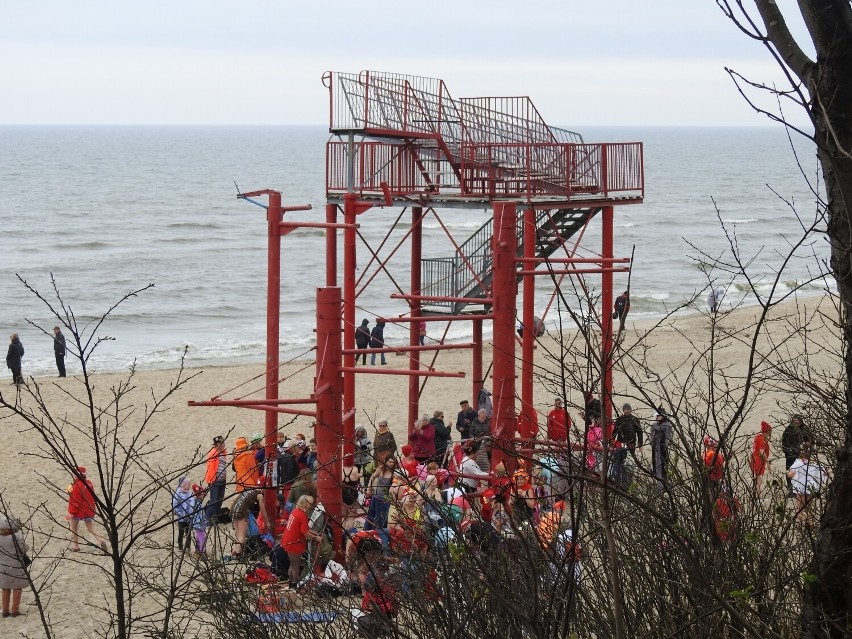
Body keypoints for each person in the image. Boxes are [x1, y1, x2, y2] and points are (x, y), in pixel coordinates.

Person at [281, 495, 322, 589]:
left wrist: (312, 532)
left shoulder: (295, 512)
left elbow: (302, 529)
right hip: (295, 543)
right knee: (296, 565)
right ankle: (294, 585)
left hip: (287, 540)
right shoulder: (302, 516)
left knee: (292, 564)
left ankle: (291, 582)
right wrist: (316, 538)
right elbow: (305, 533)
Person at [67, 466, 107, 552]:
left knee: (74, 528)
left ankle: (76, 546)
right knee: (90, 527)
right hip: (89, 509)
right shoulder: (89, 483)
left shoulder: (77, 486)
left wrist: (71, 512)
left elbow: (76, 501)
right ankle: (101, 541)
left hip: (79, 511)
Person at [787, 442, 827, 525]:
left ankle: (799, 524)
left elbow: (790, 475)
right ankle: (810, 523)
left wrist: (787, 472)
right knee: (808, 507)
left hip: (800, 486)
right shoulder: (814, 463)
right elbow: (822, 472)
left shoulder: (798, 462)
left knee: (799, 508)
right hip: (810, 487)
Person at [0, 516, 29, 618]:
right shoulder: (16, 537)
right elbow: (25, 548)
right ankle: (15, 610)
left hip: (2, 566)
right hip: (15, 565)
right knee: (17, 587)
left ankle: (5, 611)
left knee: (5, 588)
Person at [230, 488, 270, 556]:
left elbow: (235, 499)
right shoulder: (260, 495)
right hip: (242, 512)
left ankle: (235, 549)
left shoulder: (248, 490)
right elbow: (263, 511)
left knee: (238, 534)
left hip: (233, 510)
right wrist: (267, 522)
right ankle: (238, 553)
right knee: (242, 534)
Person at [611, 403, 643, 486]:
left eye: (628, 409)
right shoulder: (619, 419)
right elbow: (614, 431)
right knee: (619, 460)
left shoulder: (635, 420)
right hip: (620, 443)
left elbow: (640, 432)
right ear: (623, 410)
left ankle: (629, 478)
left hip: (631, 444)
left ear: (630, 410)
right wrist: (612, 441)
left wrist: (640, 444)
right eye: (625, 409)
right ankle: (620, 477)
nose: (627, 411)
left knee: (630, 461)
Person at [781, 414, 812, 496]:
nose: (796, 424)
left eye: (798, 422)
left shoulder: (804, 429)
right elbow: (784, 443)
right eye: (794, 422)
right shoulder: (788, 430)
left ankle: (804, 488)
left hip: (803, 454)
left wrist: (806, 447)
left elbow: (809, 440)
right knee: (790, 472)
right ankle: (791, 490)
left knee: (805, 472)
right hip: (791, 454)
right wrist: (789, 452)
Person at [203, 435, 227, 520]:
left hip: (222, 480)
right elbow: (211, 468)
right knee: (214, 500)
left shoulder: (223, 453)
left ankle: (216, 517)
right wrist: (212, 480)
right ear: (217, 444)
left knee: (220, 499)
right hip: (215, 481)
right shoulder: (213, 453)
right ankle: (208, 518)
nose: (224, 444)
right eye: (222, 443)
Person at [172, 477, 196, 552]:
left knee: (188, 532)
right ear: (183, 485)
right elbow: (174, 506)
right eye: (188, 484)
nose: (190, 485)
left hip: (189, 517)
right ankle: (180, 547)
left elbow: (192, 502)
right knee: (181, 532)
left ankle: (188, 547)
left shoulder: (190, 493)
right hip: (181, 518)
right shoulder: (178, 493)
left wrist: (192, 513)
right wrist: (180, 514)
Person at [750, 421, 772, 496]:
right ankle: (757, 493)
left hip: (754, 458)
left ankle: (755, 491)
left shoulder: (758, 436)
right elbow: (762, 452)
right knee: (759, 478)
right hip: (759, 460)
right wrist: (768, 462)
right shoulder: (763, 439)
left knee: (755, 477)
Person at [651, 409, 673, 482]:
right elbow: (651, 436)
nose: (657, 417)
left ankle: (663, 480)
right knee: (655, 462)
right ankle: (657, 478)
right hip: (655, 447)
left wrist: (665, 445)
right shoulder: (654, 425)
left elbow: (668, 438)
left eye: (658, 415)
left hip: (662, 448)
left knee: (663, 463)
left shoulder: (667, 425)